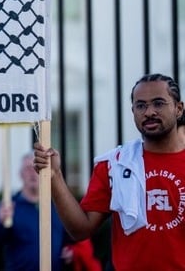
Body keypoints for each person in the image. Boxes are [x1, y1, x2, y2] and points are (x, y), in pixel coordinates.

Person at [34, 73, 185, 271]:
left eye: (158, 103)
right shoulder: (115, 164)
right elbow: (80, 229)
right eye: (141, 106)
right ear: (133, 111)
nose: (149, 112)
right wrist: (55, 176)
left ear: (178, 108)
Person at [0, 153, 70, 270]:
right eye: (28, 169)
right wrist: (0, 223)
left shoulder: (56, 206)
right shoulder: (9, 206)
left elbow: (72, 240)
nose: (33, 173)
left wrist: (71, 253)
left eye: (37, 168)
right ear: (20, 174)